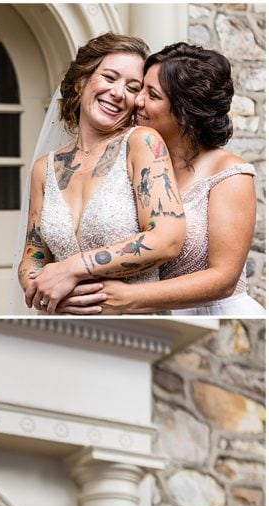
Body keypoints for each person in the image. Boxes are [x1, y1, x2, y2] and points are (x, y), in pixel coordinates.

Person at [59, 43, 264, 316]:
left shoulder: (229, 173)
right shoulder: (132, 161)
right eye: (140, 89)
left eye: (152, 94)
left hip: (212, 316)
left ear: (185, 111)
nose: (137, 100)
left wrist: (130, 297)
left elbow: (223, 279)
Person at [15, 33, 185, 315]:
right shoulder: (43, 169)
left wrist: (71, 269)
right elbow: (33, 256)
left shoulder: (141, 143)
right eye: (109, 77)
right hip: (61, 322)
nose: (118, 93)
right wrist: (39, 288)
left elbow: (167, 239)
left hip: (134, 323)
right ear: (82, 80)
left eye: (133, 87)